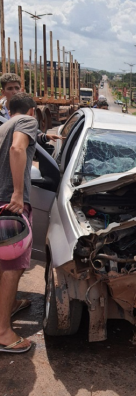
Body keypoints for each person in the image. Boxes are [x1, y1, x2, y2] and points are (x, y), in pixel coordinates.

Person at [0, 92, 38, 352]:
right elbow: (17, 147)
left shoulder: (4, 125)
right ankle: (3, 333)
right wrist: (17, 193)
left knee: (6, 264)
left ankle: (10, 306)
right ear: (32, 111)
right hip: (10, 204)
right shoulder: (28, 122)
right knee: (12, 267)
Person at [0, 73, 61, 146]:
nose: (14, 92)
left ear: (21, 90)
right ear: (3, 92)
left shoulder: (27, 109)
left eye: (17, 88)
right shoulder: (1, 111)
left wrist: (44, 137)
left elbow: (31, 132)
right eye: (10, 88)